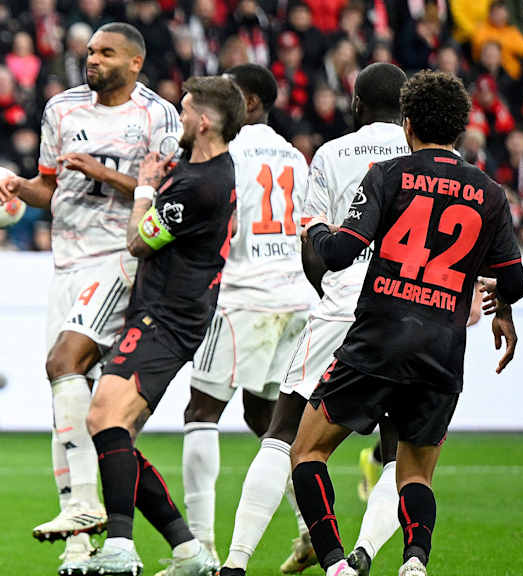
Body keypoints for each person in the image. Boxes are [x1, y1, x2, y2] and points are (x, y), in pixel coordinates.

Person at [292, 70, 523, 576]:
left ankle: (334, 564)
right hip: (441, 347)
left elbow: (339, 253)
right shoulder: (488, 193)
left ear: (407, 123)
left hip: (378, 338)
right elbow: (514, 281)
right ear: (461, 129)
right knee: (415, 474)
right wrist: (502, 308)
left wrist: (315, 230)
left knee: (306, 451)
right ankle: (414, 563)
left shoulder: (388, 174)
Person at [0, 22, 182, 574]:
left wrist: (104, 172)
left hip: (122, 260)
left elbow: (170, 196)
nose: (93, 60)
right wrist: (16, 191)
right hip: (66, 264)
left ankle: (86, 508)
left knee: (67, 369)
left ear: (135, 63)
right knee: (71, 402)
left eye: (106, 53)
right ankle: (87, 543)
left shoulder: (158, 116)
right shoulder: (61, 109)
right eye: (90, 52)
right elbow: (48, 186)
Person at [216, 62, 412, 576]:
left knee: (283, 432)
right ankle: (364, 554)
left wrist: (328, 290)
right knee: (398, 451)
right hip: (414, 314)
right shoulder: (427, 156)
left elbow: (314, 242)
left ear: (356, 104)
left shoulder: (331, 153)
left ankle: (235, 564)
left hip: (342, 304)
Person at [83, 75, 242, 576]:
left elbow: (138, 240)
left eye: (185, 107)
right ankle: (188, 552)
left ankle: (121, 546)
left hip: (166, 318)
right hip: (170, 312)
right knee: (118, 432)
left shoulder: (199, 185)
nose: (178, 116)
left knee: (102, 418)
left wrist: (145, 189)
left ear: (203, 121)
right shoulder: (205, 169)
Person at [181, 63, 312, 566]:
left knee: (200, 413)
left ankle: (201, 546)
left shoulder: (225, 152)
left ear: (250, 102)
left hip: (240, 298)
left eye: (230, 95)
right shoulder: (296, 159)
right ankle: (308, 528)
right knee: (267, 420)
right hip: (294, 299)